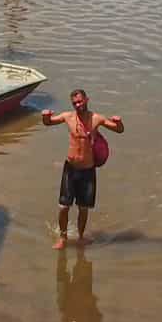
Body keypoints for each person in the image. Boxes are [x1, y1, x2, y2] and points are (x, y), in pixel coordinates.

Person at [41, 88, 124, 249]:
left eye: (80, 101)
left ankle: (80, 237)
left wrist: (118, 121)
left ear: (87, 100)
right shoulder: (68, 117)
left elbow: (118, 129)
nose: (78, 105)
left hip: (88, 170)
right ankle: (63, 238)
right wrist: (45, 116)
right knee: (64, 207)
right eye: (74, 103)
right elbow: (49, 122)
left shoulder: (96, 118)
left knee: (83, 208)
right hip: (70, 168)